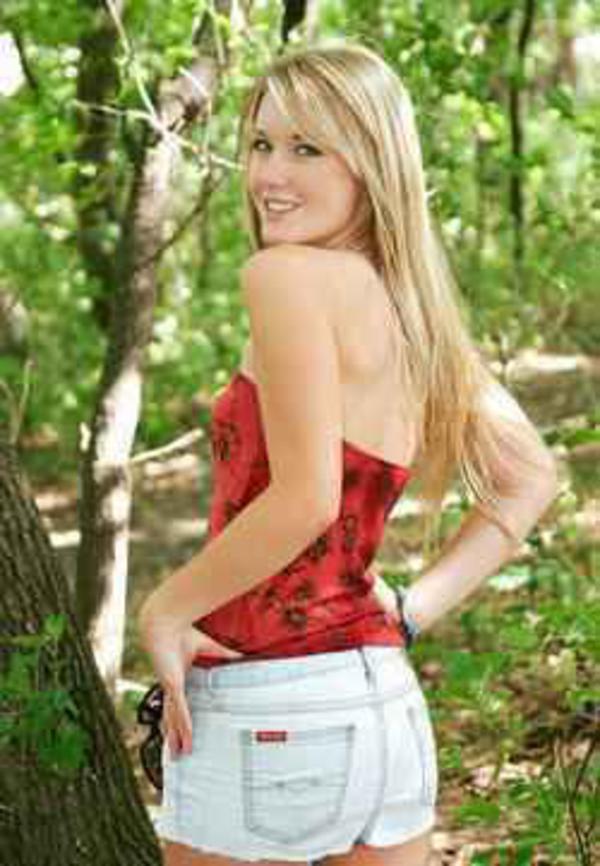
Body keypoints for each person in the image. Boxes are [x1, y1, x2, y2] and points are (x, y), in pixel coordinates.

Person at [138, 39, 559, 866]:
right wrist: (413, 609)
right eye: (262, 144)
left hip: (267, 708)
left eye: (307, 149)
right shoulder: (414, 311)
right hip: (384, 713)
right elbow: (530, 478)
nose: (270, 174)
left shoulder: (286, 276)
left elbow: (306, 498)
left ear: (371, 162)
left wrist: (165, 609)